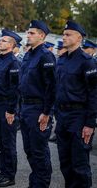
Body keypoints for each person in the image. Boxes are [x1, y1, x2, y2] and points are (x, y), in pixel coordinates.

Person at [55, 21, 97, 188]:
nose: (64, 37)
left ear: (79, 38)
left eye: (68, 34)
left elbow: (94, 94)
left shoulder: (87, 61)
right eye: (63, 34)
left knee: (79, 164)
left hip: (79, 117)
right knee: (65, 162)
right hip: (63, 117)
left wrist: (90, 123)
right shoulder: (62, 60)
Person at [19, 20, 56, 188]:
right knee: (30, 151)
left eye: (32, 33)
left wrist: (47, 112)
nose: (28, 35)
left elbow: (51, 87)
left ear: (42, 35)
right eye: (28, 32)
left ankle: (41, 184)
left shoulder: (46, 56)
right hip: (25, 107)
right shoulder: (28, 54)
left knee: (39, 151)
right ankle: (35, 183)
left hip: (38, 109)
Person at [0, 30, 21, 187]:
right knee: (1, 142)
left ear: (12, 45)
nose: (0, 42)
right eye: (0, 40)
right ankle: (3, 172)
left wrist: (11, 110)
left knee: (8, 143)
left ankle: (10, 175)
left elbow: (15, 89)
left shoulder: (13, 62)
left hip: (6, 107)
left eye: (4, 41)